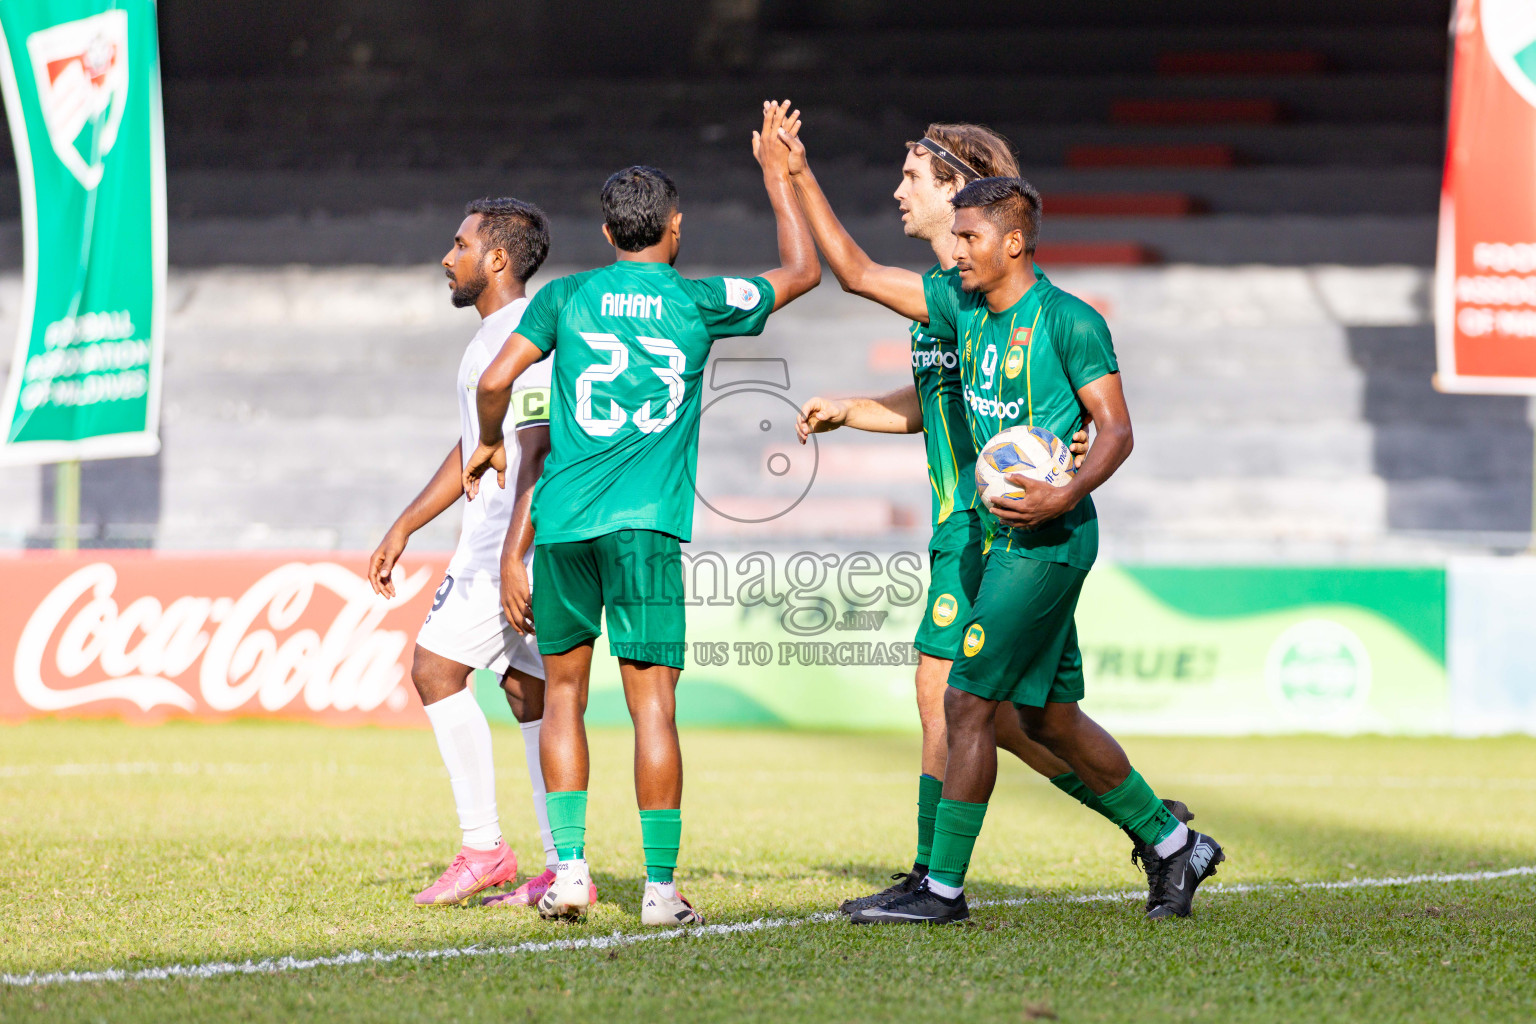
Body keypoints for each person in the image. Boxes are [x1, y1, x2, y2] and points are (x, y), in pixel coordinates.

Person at [787, 124, 1193, 916]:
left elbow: (1115, 428)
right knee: (1040, 718)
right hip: (981, 529)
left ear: (1006, 237)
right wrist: (852, 408)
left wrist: (1061, 489)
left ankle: (935, 883)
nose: (901, 193)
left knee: (960, 698)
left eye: (914, 179)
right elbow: (862, 278)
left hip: (1032, 536)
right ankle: (1168, 838)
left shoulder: (1065, 319)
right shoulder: (955, 305)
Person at [463, 101, 821, 926]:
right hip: (647, 525)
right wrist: (778, 176)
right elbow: (801, 271)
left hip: (563, 524)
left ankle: (574, 874)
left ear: (607, 230)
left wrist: (487, 444)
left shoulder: (565, 300)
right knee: (652, 705)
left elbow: (493, 386)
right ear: (675, 226)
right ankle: (659, 891)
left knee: (562, 696)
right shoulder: (698, 302)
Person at [367, 197, 582, 909]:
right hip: (503, 538)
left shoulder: (523, 337)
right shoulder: (491, 339)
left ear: (496, 259)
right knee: (527, 693)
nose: (446, 256)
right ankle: (558, 862)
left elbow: (539, 447)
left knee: (433, 671)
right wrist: (408, 522)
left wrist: (511, 555)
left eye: (458, 243)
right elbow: (475, 446)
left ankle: (485, 847)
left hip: (504, 542)